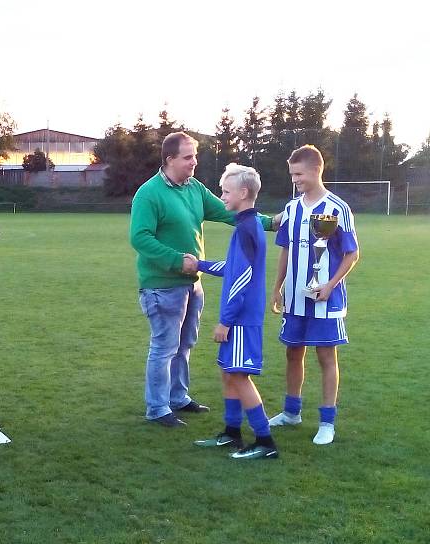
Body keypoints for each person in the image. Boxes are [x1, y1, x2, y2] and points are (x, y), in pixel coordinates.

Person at [129, 132, 277, 428]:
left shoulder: (194, 188)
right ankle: (157, 408)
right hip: (162, 286)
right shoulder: (149, 193)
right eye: (188, 157)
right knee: (164, 347)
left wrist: (269, 222)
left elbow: (231, 212)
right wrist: (175, 260)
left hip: (192, 284)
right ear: (170, 159)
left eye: (194, 156)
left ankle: (178, 397)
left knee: (185, 345)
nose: (194, 162)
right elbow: (140, 238)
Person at [269, 145, 359, 445]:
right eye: (292, 174)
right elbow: (285, 250)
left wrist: (330, 285)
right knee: (292, 352)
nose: (294, 180)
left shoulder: (338, 208)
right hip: (295, 298)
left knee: (326, 356)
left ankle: (326, 422)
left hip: (325, 298)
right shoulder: (292, 209)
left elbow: (352, 254)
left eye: (299, 174)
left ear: (315, 171)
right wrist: (278, 286)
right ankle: (291, 412)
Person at [190, 164, 278, 459]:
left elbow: (241, 280)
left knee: (240, 377)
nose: (222, 196)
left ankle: (265, 442)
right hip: (241, 317)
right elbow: (233, 269)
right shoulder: (247, 225)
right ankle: (231, 433)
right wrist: (200, 265)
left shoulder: (246, 229)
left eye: (226, 191)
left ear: (243, 193)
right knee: (229, 373)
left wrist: (225, 322)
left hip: (241, 320)